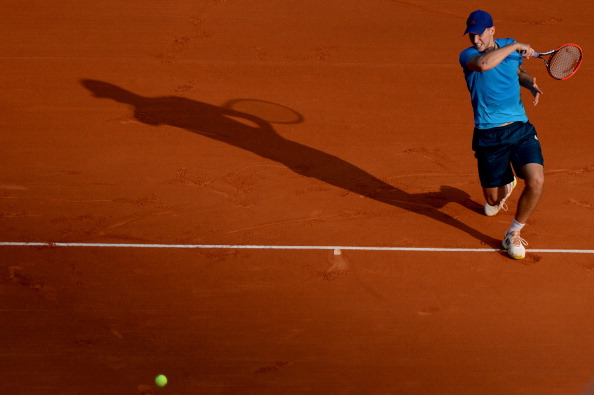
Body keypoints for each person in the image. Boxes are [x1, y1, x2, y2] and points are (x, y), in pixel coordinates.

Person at [459, 10, 544, 259]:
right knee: (492, 202)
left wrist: (530, 83)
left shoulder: (508, 49)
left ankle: (514, 233)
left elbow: (517, 72)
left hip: (519, 127)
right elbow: (485, 65)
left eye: (480, 35)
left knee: (537, 181)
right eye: (472, 36)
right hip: (488, 134)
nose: (475, 40)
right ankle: (506, 186)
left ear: (492, 30)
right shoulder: (468, 56)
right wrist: (516, 46)